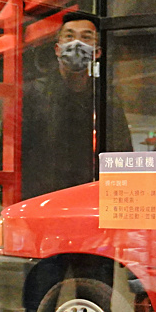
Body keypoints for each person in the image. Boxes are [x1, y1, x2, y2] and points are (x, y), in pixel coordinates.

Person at [21, 11, 133, 199]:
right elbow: (15, 154)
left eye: (86, 37)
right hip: (42, 200)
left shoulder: (106, 100)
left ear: (97, 52)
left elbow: (122, 153)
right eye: (70, 36)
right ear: (57, 49)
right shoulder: (33, 94)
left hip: (91, 198)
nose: (76, 43)